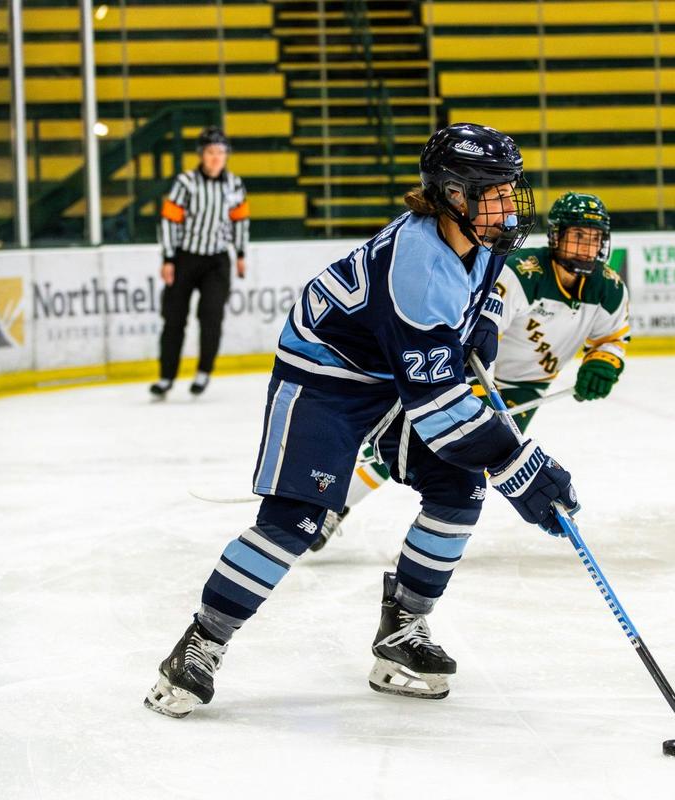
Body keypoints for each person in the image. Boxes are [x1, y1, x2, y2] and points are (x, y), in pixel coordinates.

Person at [144, 123, 581, 717]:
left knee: (457, 485)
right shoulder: (420, 266)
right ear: (452, 194)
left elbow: (490, 283)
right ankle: (200, 644)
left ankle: (402, 631)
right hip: (324, 376)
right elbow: (440, 412)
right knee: (296, 519)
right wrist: (520, 465)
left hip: (386, 370)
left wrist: (483, 318)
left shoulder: (483, 235)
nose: (508, 204)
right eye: (493, 190)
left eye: (510, 188)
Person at [313, 191, 630, 550]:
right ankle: (332, 505)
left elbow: (613, 337)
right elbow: (486, 326)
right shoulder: (525, 273)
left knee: (475, 466)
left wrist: (603, 363)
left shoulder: (610, 289)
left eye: (593, 239)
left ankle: (437, 533)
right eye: (577, 236)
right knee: (421, 445)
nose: (585, 247)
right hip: (477, 374)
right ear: (557, 236)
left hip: (529, 387)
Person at [151, 126, 249, 399]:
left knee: (211, 316)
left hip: (217, 261)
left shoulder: (235, 185)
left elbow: (240, 221)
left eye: (220, 152)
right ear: (201, 155)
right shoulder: (186, 183)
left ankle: (204, 371)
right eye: (210, 152)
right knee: (173, 319)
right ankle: (166, 377)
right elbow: (170, 221)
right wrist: (168, 257)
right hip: (185, 258)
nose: (216, 157)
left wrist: (240, 254)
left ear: (227, 155)